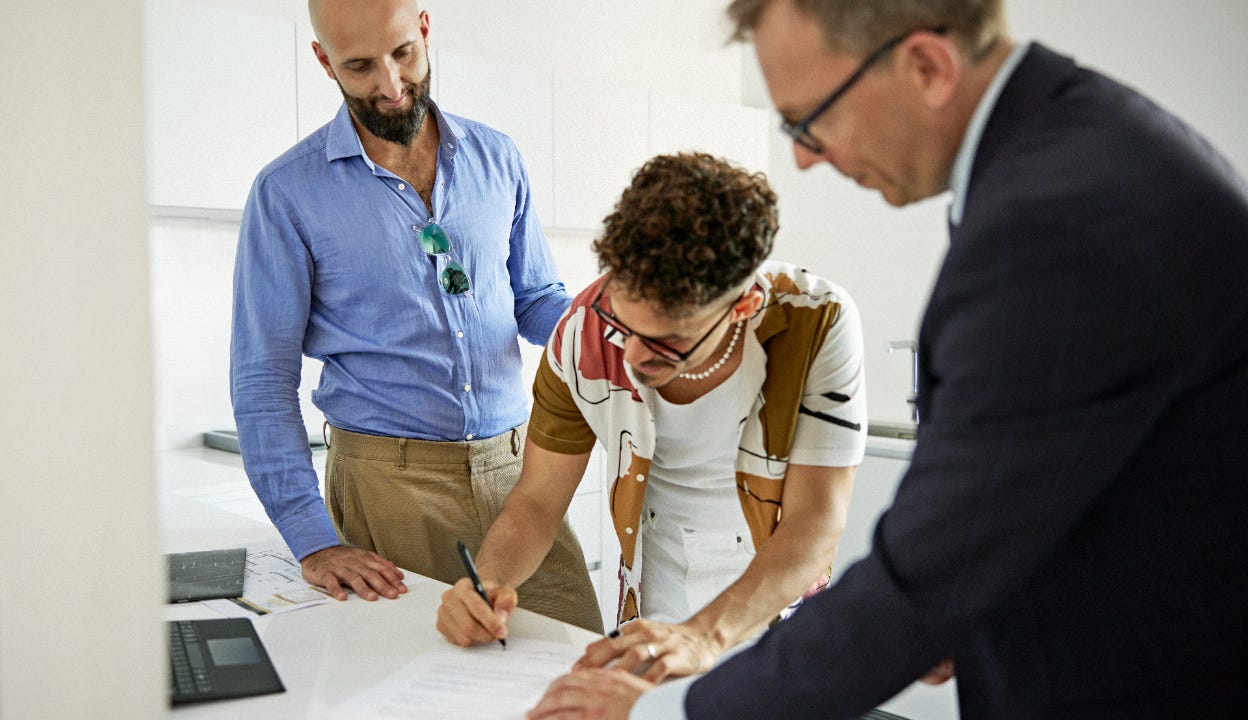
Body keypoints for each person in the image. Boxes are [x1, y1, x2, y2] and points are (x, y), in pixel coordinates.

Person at [527, 1, 1248, 718]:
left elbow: (933, 564)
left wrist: (650, 714)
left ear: (928, 66)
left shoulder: (1055, 218)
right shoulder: (1073, 149)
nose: (805, 156)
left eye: (811, 119)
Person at [229, 0, 601, 634]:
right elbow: (263, 381)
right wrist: (313, 540)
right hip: (388, 488)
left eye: (402, 54)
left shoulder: (497, 158)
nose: (391, 85)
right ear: (324, 61)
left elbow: (535, 300)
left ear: (424, 30)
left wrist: (612, 333)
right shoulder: (287, 192)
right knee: (432, 685)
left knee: (578, 659)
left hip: (520, 473)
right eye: (359, 66)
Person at [436, 152, 868, 683]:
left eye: (668, 342)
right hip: (654, 590)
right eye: (623, 323)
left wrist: (705, 635)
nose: (633, 358)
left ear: (742, 307)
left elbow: (815, 522)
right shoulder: (581, 333)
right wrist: (487, 583)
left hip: (776, 588)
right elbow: (536, 500)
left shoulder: (815, 321)